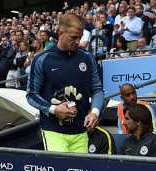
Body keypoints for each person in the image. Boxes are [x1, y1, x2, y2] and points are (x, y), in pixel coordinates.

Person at [26, 13, 104, 153]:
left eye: (80, 37)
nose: (78, 41)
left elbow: (97, 90)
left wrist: (94, 113)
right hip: (53, 131)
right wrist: (54, 110)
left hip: (81, 131)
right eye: (74, 37)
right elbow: (31, 95)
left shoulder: (87, 58)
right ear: (60, 33)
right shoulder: (41, 60)